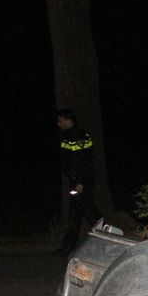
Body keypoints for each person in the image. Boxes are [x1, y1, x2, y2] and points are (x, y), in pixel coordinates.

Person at [55, 108, 101, 256]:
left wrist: (81, 182)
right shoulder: (67, 135)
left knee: (83, 213)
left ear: (69, 121)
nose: (59, 124)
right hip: (76, 180)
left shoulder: (80, 136)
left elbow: (84, 161)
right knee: (81, 212)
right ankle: (69, 246)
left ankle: (108, 239)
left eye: (61, 121)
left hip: (82, 182)